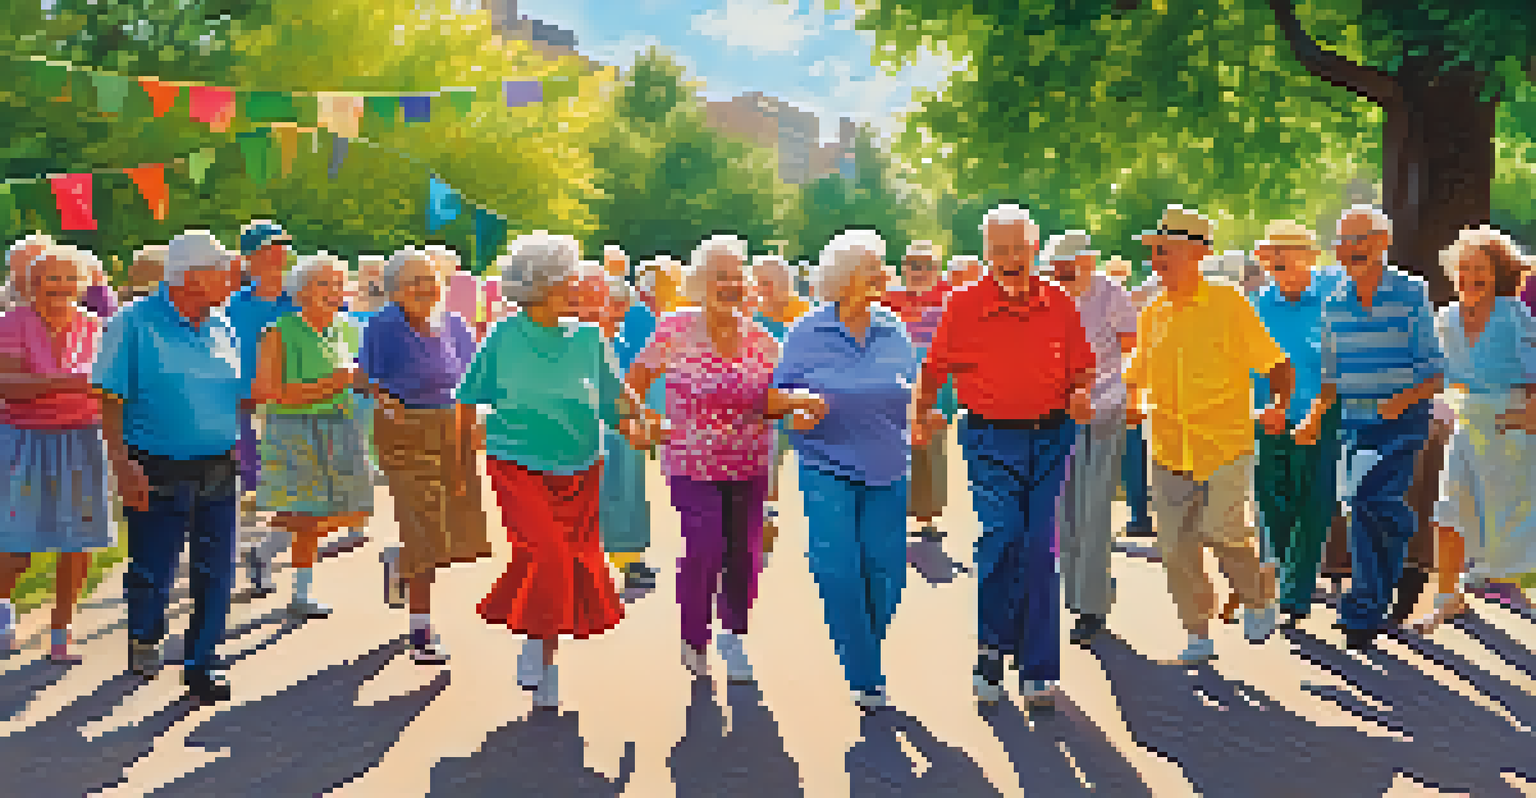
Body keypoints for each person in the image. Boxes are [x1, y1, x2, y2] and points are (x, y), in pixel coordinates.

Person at [913, 204, 1095, 708]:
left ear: (1033, 249)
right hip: (990, 440)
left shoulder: (1058, 302)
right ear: (986, 251)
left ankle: (1038, 667)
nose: (1009, 257)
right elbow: (935, 368)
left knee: (1039, 548)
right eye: (999, 249)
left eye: (1018, 248)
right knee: (1002, 537)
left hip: (1051, 436)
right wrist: (921, 414)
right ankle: (992, 650)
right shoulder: (964, 304)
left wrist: (1080, 395)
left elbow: (1082, 369)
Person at [460, 233, 648, 709]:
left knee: (563, 564)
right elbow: (469, 397)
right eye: (569, 279)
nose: (579, 286)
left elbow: (613, 399)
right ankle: (536, 642)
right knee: (546, 555)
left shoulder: (590, 338)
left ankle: (545, 659)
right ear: (539, 284)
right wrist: (463, 461)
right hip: (516, 463)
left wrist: (636, 424)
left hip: (581, 466)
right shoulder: (502, 336)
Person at [1124, 206, 1291, 663]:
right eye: (1155, 252)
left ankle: (1258, 597)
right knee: (1176, 548)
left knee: (1222, 530)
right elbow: (1136, 373)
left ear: (1196, 254)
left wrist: (1277, 406)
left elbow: (1277, 365)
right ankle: (1197, 631)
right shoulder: (1153, 313)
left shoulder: (1228, 303)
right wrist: (1132, 401)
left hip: (1224, 445)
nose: (1156, 260)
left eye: (1165, 252)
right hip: (1167, 448)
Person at [627, 234, 793, 684]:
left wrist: (801, 402)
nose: (730, 284)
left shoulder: (762, 338)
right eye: (720, 276)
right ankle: (693, 636)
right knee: (704, 546)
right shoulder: (675, 328)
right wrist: (637, 422)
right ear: (701, 282)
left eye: (737, 276)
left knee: (743, 554)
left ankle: (734, 635)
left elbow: (775, 397)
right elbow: (637, 377)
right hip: (690, 461)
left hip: (749, 461)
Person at [94, 230, 245, 702]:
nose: (231, 279)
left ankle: (202, 663)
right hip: (153, 464)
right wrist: (121, 463)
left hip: (218, 464)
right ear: (194, 277)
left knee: (216, 569)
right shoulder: (132, 322)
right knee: (153, 568)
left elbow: (229, 390)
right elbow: (108, 396)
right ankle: (144, 632)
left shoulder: (223, 324)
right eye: (223, 271)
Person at [1296, 205, 1446, 651]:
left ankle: (1361, 611)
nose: (1350, 250)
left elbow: (1435, 373)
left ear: (1383, 242)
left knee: (1363, 498)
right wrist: (1314, 416)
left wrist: (1400, 400)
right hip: (1355, 425)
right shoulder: (1333, 302)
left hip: (1403, 421)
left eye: (1361, 240)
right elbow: (1328, 376)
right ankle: (1396, 560)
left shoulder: (1411, 292)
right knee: (1362, 506)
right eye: (1344, 242)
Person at [776, 230, 909, 711]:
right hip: (826, 461)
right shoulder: (807, 331)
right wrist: (797, 405)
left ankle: (864, 643)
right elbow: (777, 395)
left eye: (881, 265)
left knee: (887, 571)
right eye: (871, 266)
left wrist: (924, 416)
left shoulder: (894, 328)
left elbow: (907, 389)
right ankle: (864, 670)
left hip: (888, 465)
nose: (882, 273)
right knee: (837, 566)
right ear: (843, 277)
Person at [362, 246, 491, 663]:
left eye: (430, 279)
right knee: (420, 529)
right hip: (403, 431)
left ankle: (401, 562)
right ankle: (421, 628)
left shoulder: (454, 323)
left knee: (446, 531)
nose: (423, 287)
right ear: (395, 289)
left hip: (450, 430)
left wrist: (478, 420)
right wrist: (385, 401)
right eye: (413, 280)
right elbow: (365, 378)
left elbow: (475, 380)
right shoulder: (383, 325)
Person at [1410, 227, 1536, 631]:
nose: (1470, 278)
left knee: (1515, 520)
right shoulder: (1445, 317)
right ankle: (1448, 599)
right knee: (1449, 509)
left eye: (1480, 270)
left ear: (1498, 273)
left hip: (1511, 422)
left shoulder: (1513, 314)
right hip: (1469, 421)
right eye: (1463, 270)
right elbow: (1431, 369)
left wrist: (1531, 412)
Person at [0, 243, 115, 662]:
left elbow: (106, 386)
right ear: (30, 286)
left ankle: (61, 630)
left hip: (82, 437)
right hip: (23, 440)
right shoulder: (10, 324)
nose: (62, 287)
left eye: (70, 278)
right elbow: (10, 389)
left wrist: (50, 384)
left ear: (83, 284)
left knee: (78, 541)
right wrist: (72, 384)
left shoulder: (93, 325)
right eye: (52, 279)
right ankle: (1, 613)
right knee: (15, 545)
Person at [249, 253, 374, 620]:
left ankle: (265, 550)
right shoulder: (278, 331)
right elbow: (268, 391)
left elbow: (362, 380)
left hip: (342, 426)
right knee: (307, 516)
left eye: (338, 283)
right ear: (300, 291)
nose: (333, 291)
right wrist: (329, 385)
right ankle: (301, 594)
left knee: (354, 511)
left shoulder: (351, 329)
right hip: (294, 428)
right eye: (324, 283)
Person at [1041, 232, 1137, 646]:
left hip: (1105, 410)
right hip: (1057, 414)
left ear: (1086, 261)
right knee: (1065, 513)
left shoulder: (1111, 294)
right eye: (1055, 266)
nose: (1060, 273)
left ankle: (1090, 607)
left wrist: (1129, 395)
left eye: (1067, 265)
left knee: (1096, 510)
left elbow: (1132, 349)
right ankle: (1078, 597)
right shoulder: (1047, 295)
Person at [1250, 221, 1344, 628]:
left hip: (1321, 414)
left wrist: (1317, 413)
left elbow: (1340, 365)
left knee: (1314, 504)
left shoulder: (1334, 298)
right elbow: (1248, 365)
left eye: (1285, 255)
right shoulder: (1257, 304)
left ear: (1309, 258)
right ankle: (1286, 574)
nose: (1277, 264)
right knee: (1273, 503)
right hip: (1270, 418)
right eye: (1272, 257)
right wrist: (1260, 411)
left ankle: (1295, 594)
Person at [225, 220, 301, 597]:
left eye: (282, 247)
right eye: (269, 247)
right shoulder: (231, 306)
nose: (278, 254)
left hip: (295, 406)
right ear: (250, 257)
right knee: (239, 491)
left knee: (300, 492)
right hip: (242, 407)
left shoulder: (301, 298)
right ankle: (229, 565)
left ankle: (264, 552)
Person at [884, 242, 959, 545]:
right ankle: (892, 518)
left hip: (936, 386)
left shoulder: (950, 299)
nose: (919, 271)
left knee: (931, 451)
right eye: (913, 265)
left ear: (936, 269)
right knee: (893, 453)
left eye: (926, 265)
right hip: (894, 386)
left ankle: (927, 520)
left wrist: (950, 403)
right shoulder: (889, 300)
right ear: (904, 267)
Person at [596, 273, 660, 593]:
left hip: (625, 434)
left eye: (624, 304)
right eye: (613, 303)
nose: (620, 311)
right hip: (591, 437)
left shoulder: (622, 342)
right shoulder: (580, 341)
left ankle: (631, 561)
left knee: (628, 496)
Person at [751, 253, 813, 560]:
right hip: (765, 407)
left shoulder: (807, 315)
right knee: (764, 466)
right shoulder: (748, 317)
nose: (765, 290)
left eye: (771, 283)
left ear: (788, 284)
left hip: (803, 403)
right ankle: (763, 517)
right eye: (759, 283)